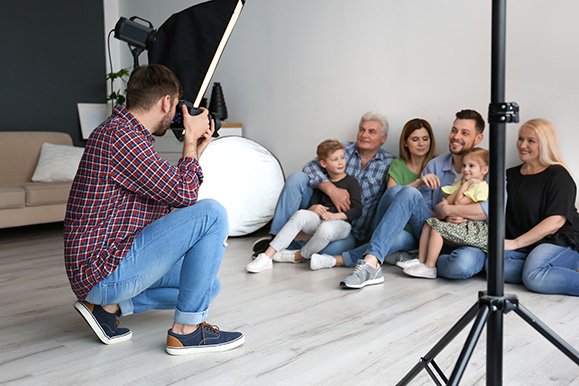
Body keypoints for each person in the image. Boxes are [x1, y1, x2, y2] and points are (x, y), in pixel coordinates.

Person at [64, 64, 245, 355]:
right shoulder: (122, 138)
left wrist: (196, 150)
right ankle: (186, 332)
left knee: (207, 288)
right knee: (212, 213)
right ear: (166, 102)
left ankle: (107, 309)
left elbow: (169, 198)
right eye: (176, 106)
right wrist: (188, 139)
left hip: (107, 266)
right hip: (103, 269)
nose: (175, 114)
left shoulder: (125, 135)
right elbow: (185, 195)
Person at [339, 109, 488, 289]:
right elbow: (423, 212)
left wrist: (448, 210)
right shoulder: (435, 165)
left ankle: (421, 261)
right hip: (433, 232)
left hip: (468, 239)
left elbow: (489, 211)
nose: (456, 136)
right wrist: (444, 214)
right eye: (454, 130)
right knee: (408, 193)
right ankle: (371, 263)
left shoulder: (488, 169)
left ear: (478, 138)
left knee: (461, 265)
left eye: (464, 133)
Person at [252, 112, 395, 260]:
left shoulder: (389, 162)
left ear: (383, 138)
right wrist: (329, 188)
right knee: (297, 178)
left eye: (371, 132)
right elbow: (310, 166)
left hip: (350, 229)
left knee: (332, 250)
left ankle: (291, 249)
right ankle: (275, 238)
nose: (364, 135)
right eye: (362, 129)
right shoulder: (342, 149)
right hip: (319, 215)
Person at [311, 117, 437, 269]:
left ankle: (339, 260)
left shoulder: (435, 164)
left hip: (420, 230)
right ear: (405, 142)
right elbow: (391, 197)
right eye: (415, 139)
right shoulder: (397, 164)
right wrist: (418, 182)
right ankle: (389, 254)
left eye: (425, 139)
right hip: (389, 226)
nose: (421, 144)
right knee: (397, 195)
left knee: (396, 231)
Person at [245, 140, 362, 272]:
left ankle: (299, 256)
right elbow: (313, 204)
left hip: (340, 224)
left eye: (342, 158)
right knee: (301, 215)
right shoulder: (321, 182)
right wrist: (313, 209)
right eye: (335, 159)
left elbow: (357, 210)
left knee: (326, 229)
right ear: (323, 164)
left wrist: (336, 216)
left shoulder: (352, 182)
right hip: (321, 220)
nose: (341, 162)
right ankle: (267, 256)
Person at [503, 119, 579, 296]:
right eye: (520, 138)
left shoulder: (558, 175)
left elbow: (555, 221)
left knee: (534, 277)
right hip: (529, 244)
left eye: (531, 141)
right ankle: (544, 269)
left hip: (559, 239)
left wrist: (515, 243)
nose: (523, 145)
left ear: (544, 144)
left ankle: (540, 270)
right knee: (496, 267)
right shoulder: (510, 175)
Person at [401, 147, 489, 279]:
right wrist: (458, 192)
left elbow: (458, 202)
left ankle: (430, 267)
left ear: (484, 170)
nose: (465, 169)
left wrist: (465, 186)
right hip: (458, 225)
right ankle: (420, 260)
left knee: (437, 230)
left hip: (471, 229)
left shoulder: (480, 186)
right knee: (429, 224)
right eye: (464, 165)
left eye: (471, 166)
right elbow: (448, 200)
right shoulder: (462, 182)